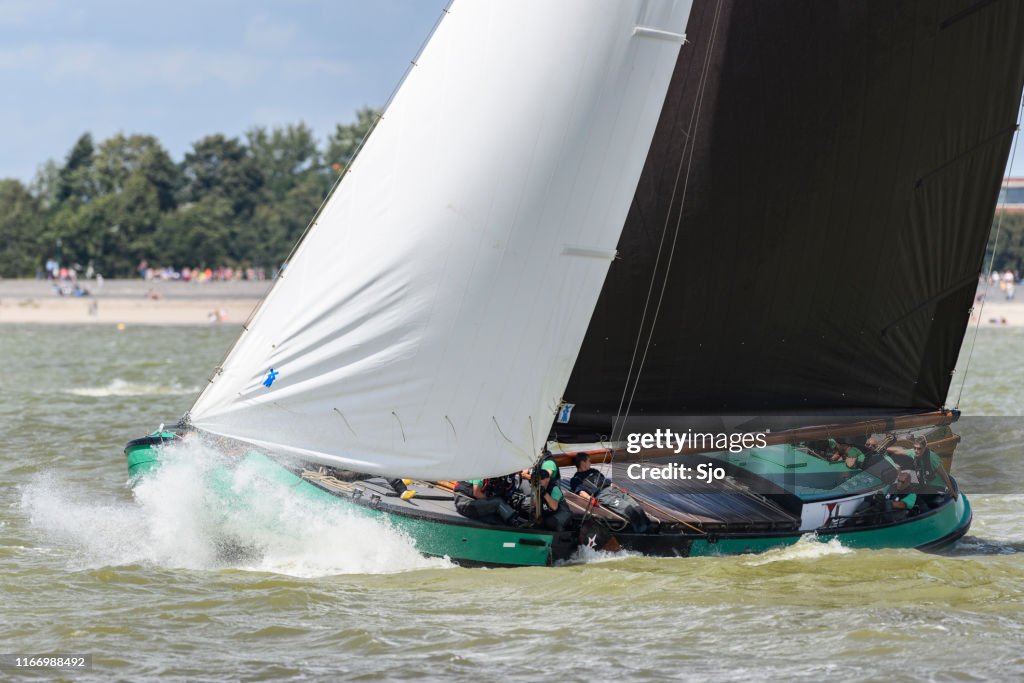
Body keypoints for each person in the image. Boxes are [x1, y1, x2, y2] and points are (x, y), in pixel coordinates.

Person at [569, 453, 650, 533]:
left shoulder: (594, 471)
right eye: (589, 461)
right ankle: (643, 533)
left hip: (613, 490)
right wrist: (590, 499)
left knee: (637, 508)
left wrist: (619, 488)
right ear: (583, 463)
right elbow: (581, 492)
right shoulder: (576, 479)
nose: (590, 463)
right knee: (629, 509)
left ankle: (650, 529)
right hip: (603, 495)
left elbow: (607, 482)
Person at [453, 479, 519, 526]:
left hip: (462, 506)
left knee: (497, 520)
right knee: (498, 502)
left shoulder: (471, 474)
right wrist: (490, 500)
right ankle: (515, 522)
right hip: (465, 504)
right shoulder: (480, 474)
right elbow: (476, 493)